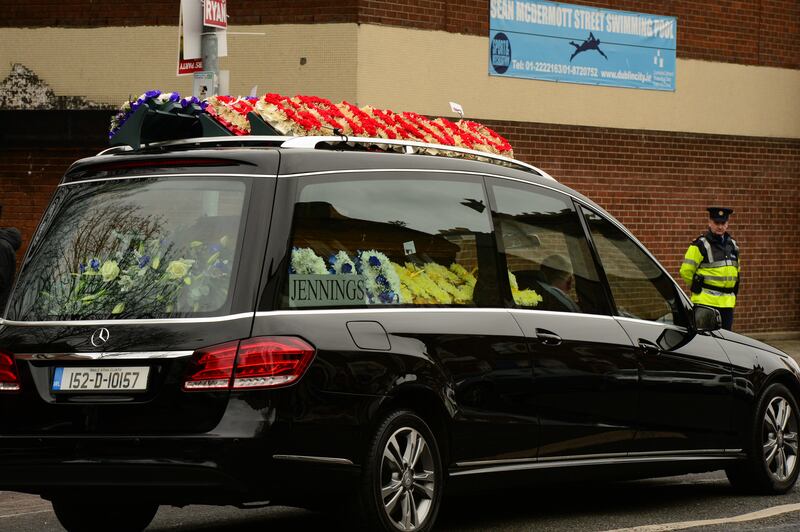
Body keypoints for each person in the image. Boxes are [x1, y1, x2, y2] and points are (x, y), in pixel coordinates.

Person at [679, 207, 740, 330]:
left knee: (726, 341)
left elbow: (736, 271)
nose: (720, 226)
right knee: (706, 341)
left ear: (727, 224)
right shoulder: (700, 245)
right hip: (706, 302)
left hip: (727, 303)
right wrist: (697, 287)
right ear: (710, 222)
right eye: (716, 223)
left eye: (723, 223)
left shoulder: (732, 245)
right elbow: (685, 271)